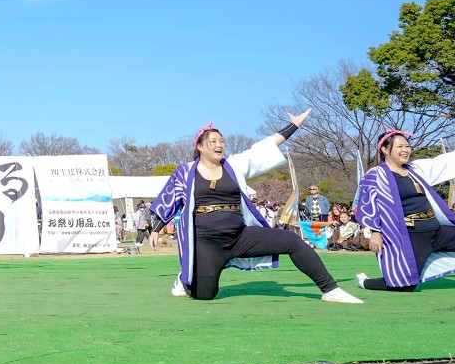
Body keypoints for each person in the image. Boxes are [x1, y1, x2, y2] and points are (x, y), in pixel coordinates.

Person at [149, 110, 360, 303]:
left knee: (292, 241)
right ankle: (186, 278)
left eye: (221, 141)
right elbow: (170, 199)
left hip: (239, 237)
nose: (219, 145)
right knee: (205, 294)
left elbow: (263, 149)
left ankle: (330, 289)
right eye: (212, 141)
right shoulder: (186, 172)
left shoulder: (234, 165)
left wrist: (294, 125)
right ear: (200, 146)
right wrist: (156, 229)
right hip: (206, 243)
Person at [354, 130, 455, 292]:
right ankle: (364, 282)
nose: (405, 150)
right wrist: (375, 232)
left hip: (436, 231)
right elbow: (369, 205)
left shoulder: (415, 169)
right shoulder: (375, 175)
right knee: (405, 285)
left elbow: (442, 163)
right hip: (413, 236)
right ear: (385, 149)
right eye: (400, 146)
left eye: (407, 146)